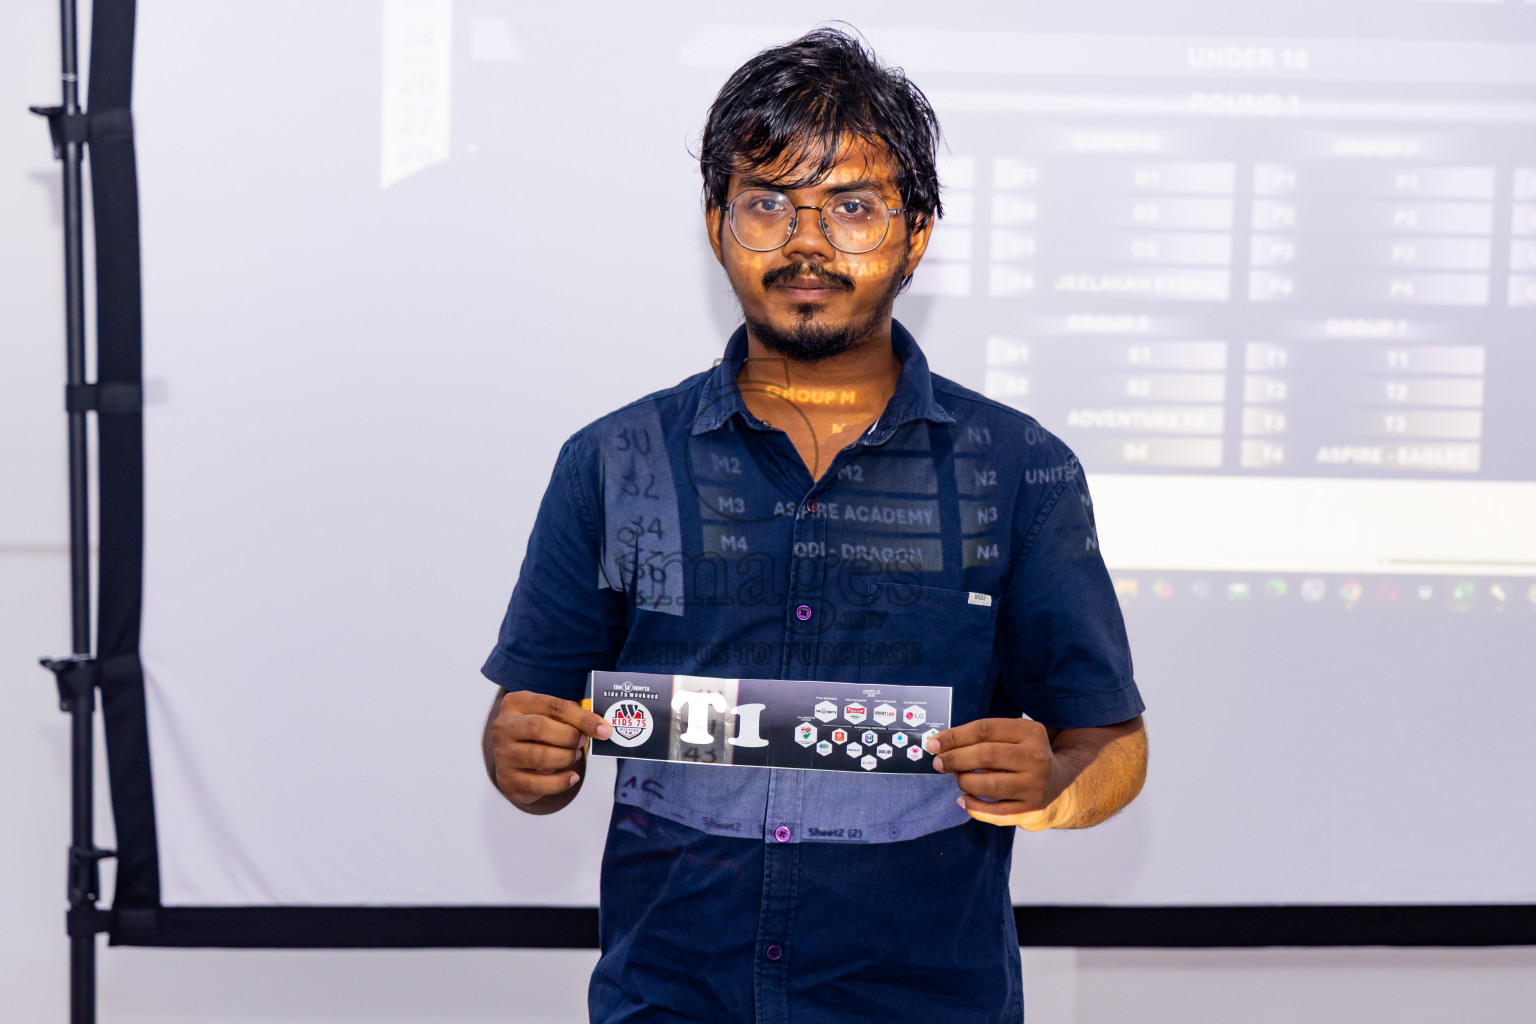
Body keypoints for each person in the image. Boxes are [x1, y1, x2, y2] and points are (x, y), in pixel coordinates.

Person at [480, 27, 1147, 1023]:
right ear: (717, 225)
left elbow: (1114, 745)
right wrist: (522, 759)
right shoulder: (613, 460)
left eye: (852, 207)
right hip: (670, 1000)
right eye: (767, 203)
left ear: (916, 235)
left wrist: (1054, 784)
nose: (806, 241)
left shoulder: (1019, 471)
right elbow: (528, 735)